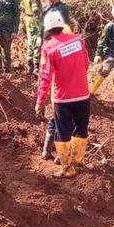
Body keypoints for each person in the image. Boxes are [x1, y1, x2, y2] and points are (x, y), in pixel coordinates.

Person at [35, 10, 91, 178]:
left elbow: (45, 76)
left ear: (48, 29)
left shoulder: (49, 47)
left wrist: (40, 100)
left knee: (63, 131)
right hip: (83, 95)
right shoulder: (79, 40)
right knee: (81, 128)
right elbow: (86, 64)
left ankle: (68, 168)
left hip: (63, 98)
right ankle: (78, 162)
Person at [90, 3, 114, 105]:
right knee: (104, 71)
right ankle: (91, 93)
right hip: (111, 55)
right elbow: (102, 40)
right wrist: (98, 54)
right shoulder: (109, 27)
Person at [22, 0, 44, 74]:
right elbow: (36, 11)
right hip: (34, 21)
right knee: (36, 44)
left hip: (28, 20)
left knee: (31, 43)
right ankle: (36, 67)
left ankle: (29, 65)